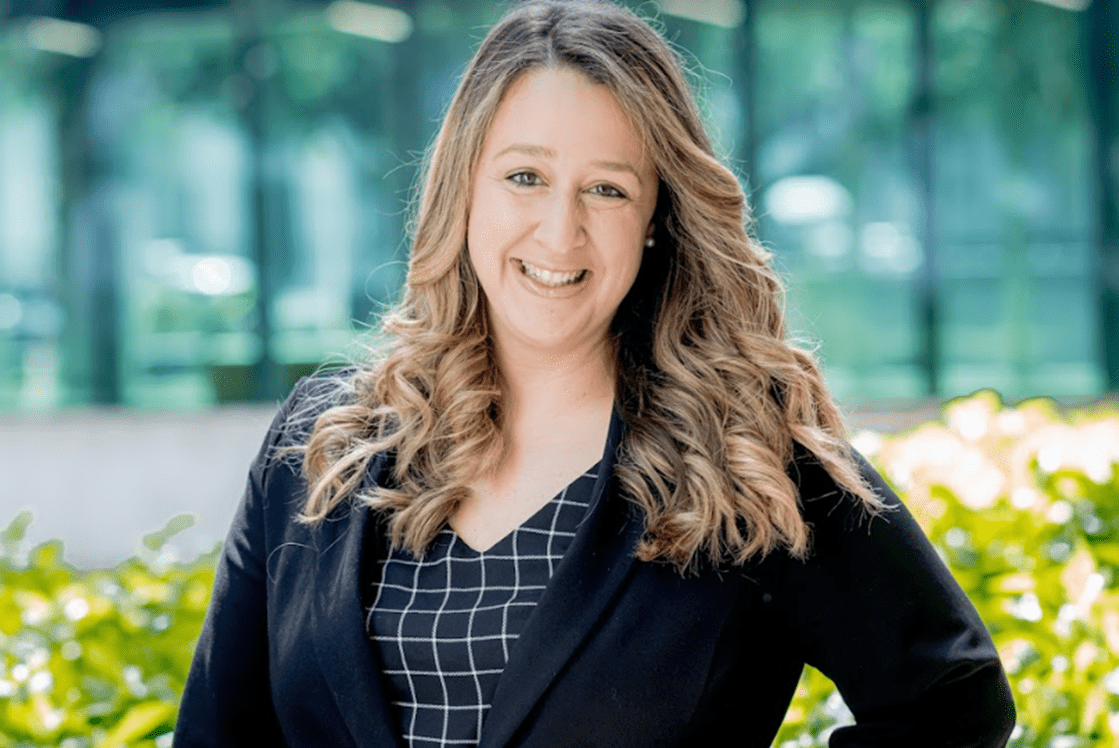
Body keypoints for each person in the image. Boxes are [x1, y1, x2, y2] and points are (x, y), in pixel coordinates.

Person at [174, 1, 1016, 746]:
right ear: (463, 190)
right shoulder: (320, 444)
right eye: (524, 177)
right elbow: (219, 731)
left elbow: (950, 701)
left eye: (606, 191)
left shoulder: (743, 459)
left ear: (656, 219)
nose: (558, 231)